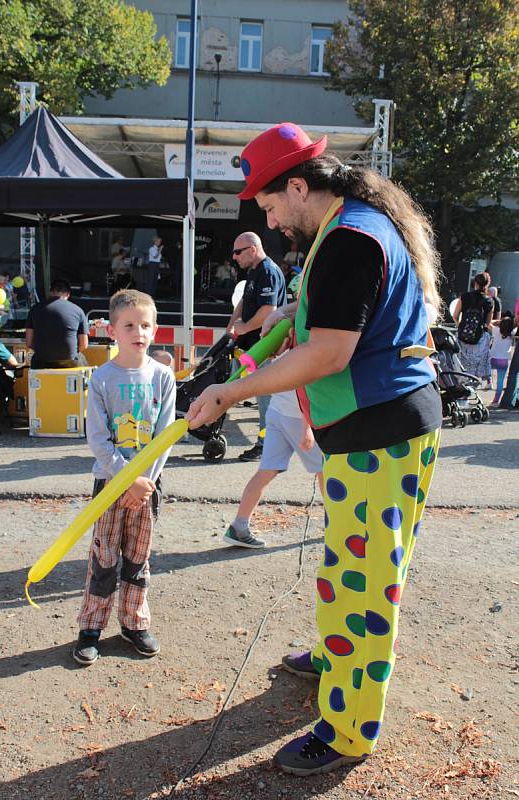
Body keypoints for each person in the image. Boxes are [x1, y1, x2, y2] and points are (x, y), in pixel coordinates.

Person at [187, 122, 442, 776]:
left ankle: (349, 732)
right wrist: (270, 331)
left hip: (378, 434)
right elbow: (311, 316)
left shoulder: (350, 240)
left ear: (299, 187)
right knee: (348, 569)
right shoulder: (343, 228)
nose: (270, 222)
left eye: (271, 206)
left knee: (364, 585)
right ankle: (337, 657)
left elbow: (330, 350)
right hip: (373, 432)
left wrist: (231, 393)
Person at [73, 289, 176, 666]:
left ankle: (134, 623)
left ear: (155, 329)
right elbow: (98, 440)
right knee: (104, 557)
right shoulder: (101, 378)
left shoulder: (163, 376)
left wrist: (144, 482)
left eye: (146, 325)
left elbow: (166, 435)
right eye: (129, 325)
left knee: (138, 557)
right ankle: (91, 627)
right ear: (112, 331)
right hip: (110, 484)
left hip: (148, 487)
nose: (139, 331)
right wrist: (126, 480)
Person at [223, 376, 323, 549]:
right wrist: (307, 428)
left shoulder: (280, 350)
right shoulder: (304, 349)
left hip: (276, 411)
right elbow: (306, 387)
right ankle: (337, 526)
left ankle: (239, 526)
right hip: (297, 417)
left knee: (266, 471)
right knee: (325, 471)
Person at [226, 231, 286, 461]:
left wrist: (244, 327)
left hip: (267, 347)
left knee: (266, 399)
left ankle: (266, 444)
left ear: (253, 249)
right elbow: (244, 301)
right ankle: (269, 441)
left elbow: (268, 311)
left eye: (238, 252)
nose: (234, 257)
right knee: (259, 395)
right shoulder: (254, 272)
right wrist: (231, 326)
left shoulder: (268, 272)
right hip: (256, 349)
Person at [26, 279, 89, 369]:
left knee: (35, 360)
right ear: (68, 294)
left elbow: (29, 343)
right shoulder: (78, 310)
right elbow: (84, 345)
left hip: (41, 361)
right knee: (82, 361)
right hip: (69, 360)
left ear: (51, 292)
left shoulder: (35, 309)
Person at [453, 272, 493, 388]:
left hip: (462, 338)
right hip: (479, 340)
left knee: (460, 368)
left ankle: (460, 394)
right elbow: (487, 323)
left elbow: (455, 316)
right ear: (487, 284)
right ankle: (471, 392)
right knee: (474, 371)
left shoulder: (464, 296)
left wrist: (461, 326)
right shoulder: (490, 301)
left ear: (475, 282)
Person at [489, 317, 515, 406]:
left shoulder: (496, 330)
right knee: (500, 382)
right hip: (504, 361)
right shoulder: (512, 333)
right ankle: (495, 401)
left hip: (492, 359)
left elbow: (487, 323)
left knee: (486, 372)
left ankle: (489, 381)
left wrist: (497, 321)